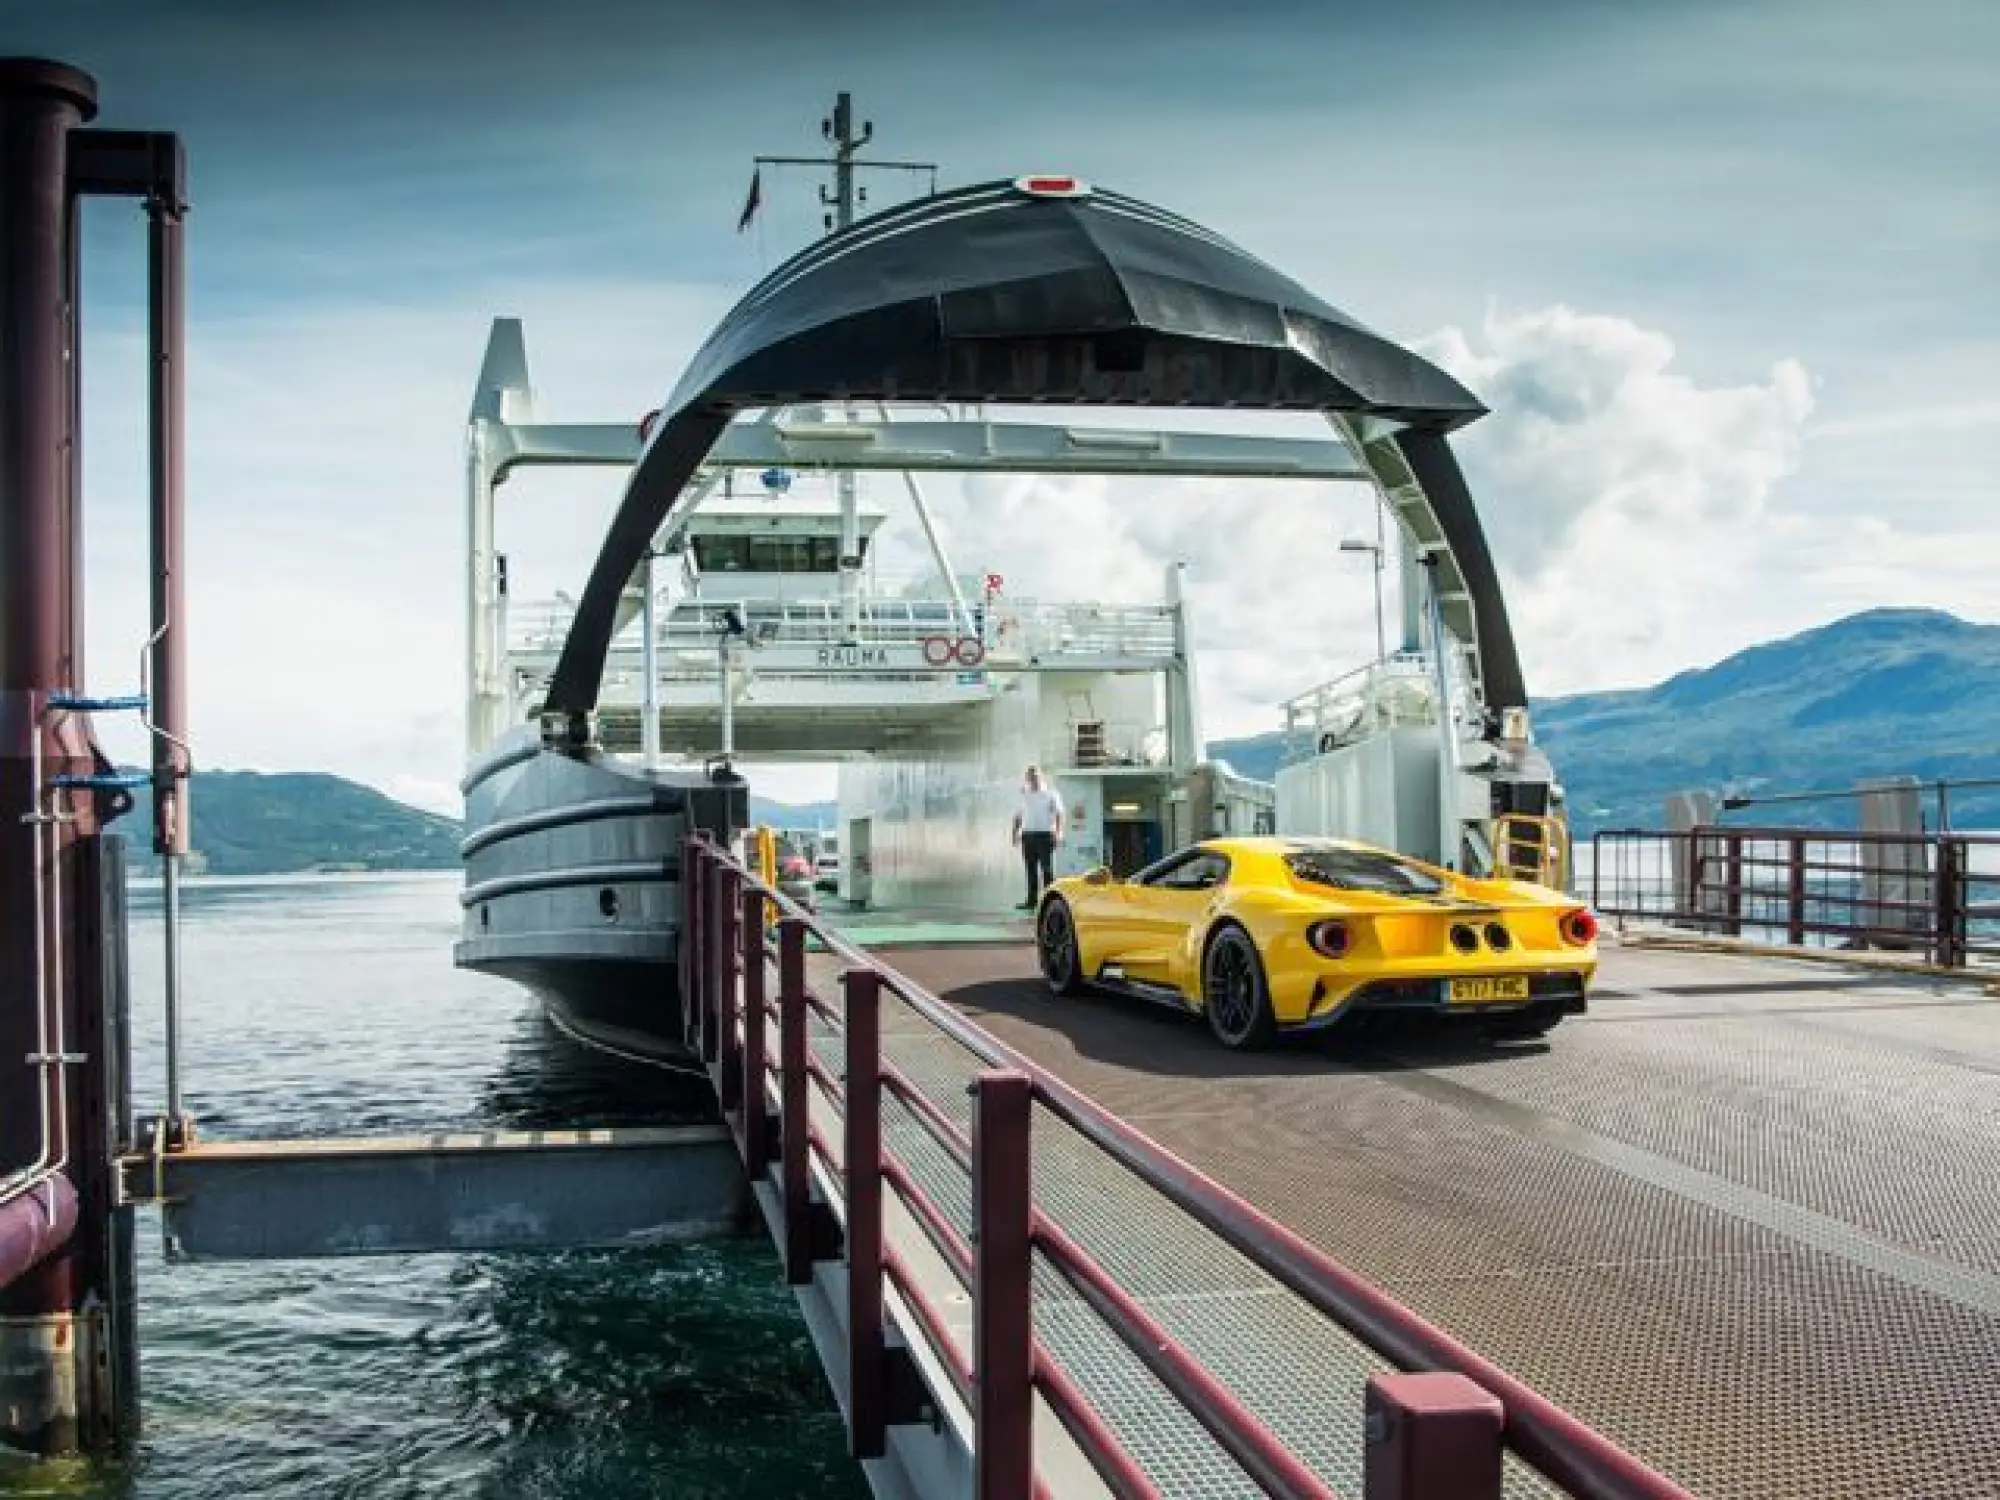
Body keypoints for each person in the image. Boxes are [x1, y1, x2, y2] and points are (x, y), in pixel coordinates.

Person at [1011, 766, 1065, 909]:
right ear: (1027, 778)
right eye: (1030, 777)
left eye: (1036, 776)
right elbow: (1018, 815)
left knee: (1047, 870)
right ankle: (1032, 901)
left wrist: (1059, 833)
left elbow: (1060, 814)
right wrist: (1014, 833)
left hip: (1045, 835)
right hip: (1027, 835)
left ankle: (1051, 902)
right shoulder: (1023, 794)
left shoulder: (1051, 793)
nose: (1033, 779)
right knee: (1031, 870)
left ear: (1041, 777)